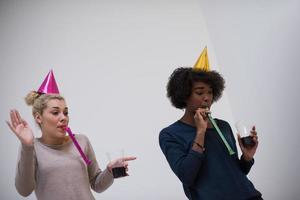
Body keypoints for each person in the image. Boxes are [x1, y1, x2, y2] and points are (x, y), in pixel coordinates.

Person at [6, 70, 136, 200]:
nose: (64, 118)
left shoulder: (81, 141)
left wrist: (110, 170)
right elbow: (24, 191)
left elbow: (97, 185)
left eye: (66, 112)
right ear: (38, 117)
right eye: (55, 112)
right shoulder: (32, 148)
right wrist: (27, 146)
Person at [159, 48, 262, 200]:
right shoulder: (170, 134)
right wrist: (200, 133)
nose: (207, 98)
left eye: (210, 92)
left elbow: (236, 173)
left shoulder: (223, 126)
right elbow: (187, 177)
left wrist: (247, 157)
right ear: (184, 95)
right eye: (200, 93)